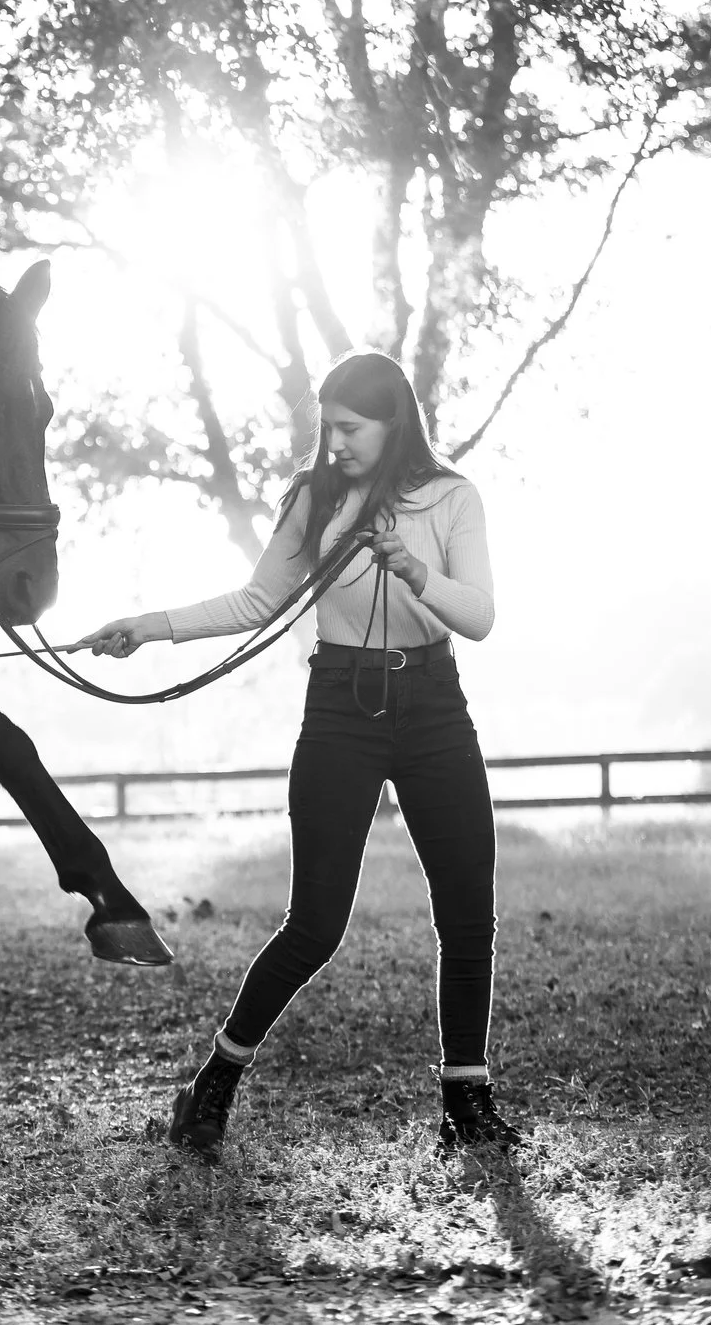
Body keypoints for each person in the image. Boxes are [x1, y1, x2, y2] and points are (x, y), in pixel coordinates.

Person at [81, 350, 516, 1157]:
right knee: (314, 925)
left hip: (433, 708)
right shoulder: (315, 498)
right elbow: (257, 599)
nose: (335, 442)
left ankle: (467, 1104)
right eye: (328, 427)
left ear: (394, 421)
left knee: (467, 916)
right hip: (341, 709)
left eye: (351, 428)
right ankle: (214, 1082)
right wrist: (149, 626)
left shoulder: (453, 498)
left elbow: (480, 616)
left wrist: (415, 570)